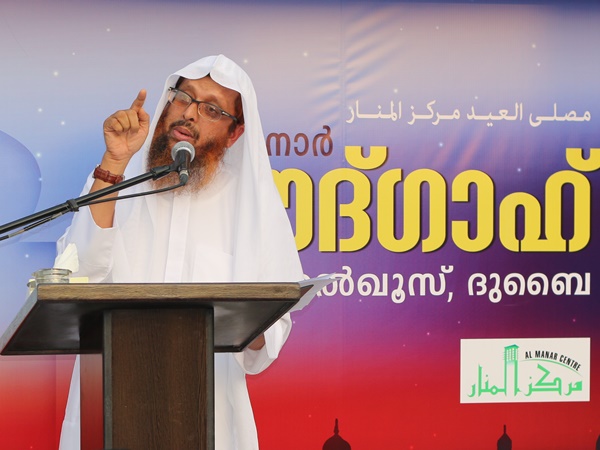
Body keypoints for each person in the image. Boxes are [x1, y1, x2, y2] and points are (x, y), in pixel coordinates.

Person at [56, 54, 303, 450]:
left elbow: (266, 343)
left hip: (208, 416)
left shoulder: (251, 206)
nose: (189, 113)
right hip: (110, 405)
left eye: (211, 109)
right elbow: (76, 274)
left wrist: (255, 318)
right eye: (184, 97)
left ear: (234, 133)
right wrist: (114, 162)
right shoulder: (117, 179)